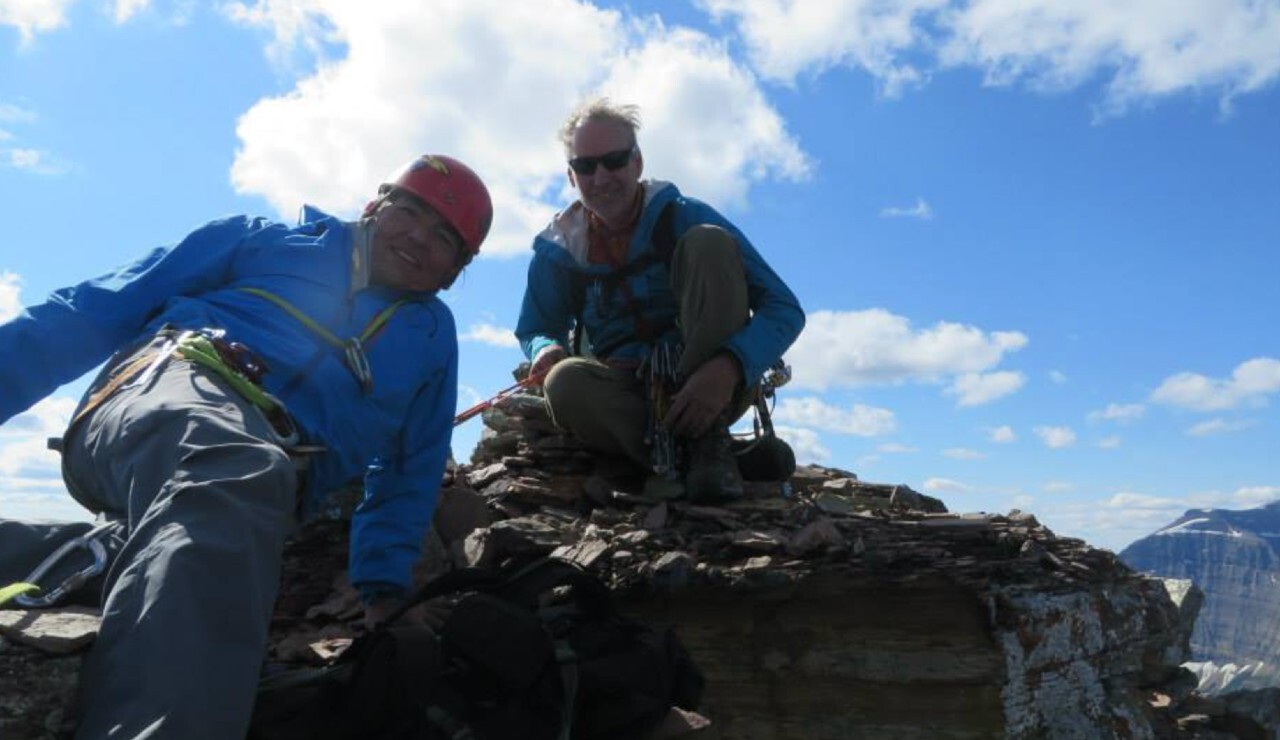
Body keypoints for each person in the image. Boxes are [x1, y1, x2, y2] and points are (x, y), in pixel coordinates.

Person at [0, 154, 492, 739]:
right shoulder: (263, 242)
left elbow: (410, 468)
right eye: (410, 211)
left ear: (454, 272)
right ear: (375, 206)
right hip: (168, 390)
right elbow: (92, 309)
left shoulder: (432, 340)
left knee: (195, 521)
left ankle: (51, 554)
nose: (419, 238)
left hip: (257, 481)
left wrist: (383, 588)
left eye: (445, 239)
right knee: (231, 467)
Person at [515, 99, 804, 501]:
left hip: (717, 387)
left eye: (614, 160)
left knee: (709, 243)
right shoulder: (558, 251)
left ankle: (701, 442)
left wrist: (728, 366)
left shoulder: (686, 217)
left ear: (637, 163)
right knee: (564, 383)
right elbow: (536, 327)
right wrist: (547, 349)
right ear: (570, 176)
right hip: (625, 393)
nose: (600, 177)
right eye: (585, 166)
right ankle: (712, 459)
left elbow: (784, 309)